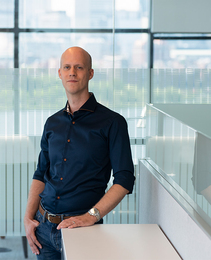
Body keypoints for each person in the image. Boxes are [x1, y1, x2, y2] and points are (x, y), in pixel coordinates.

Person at [23, 46, 135, 259]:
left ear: (90, 73)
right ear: (60, 73)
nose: (72, 72)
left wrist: (91, 216)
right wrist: (28, 218)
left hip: (83, 230)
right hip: (44, 229)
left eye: (79, 67)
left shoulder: (113, 123)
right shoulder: (52, 123)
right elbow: (41, 173)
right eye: (67, 67)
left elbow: (125, 179)